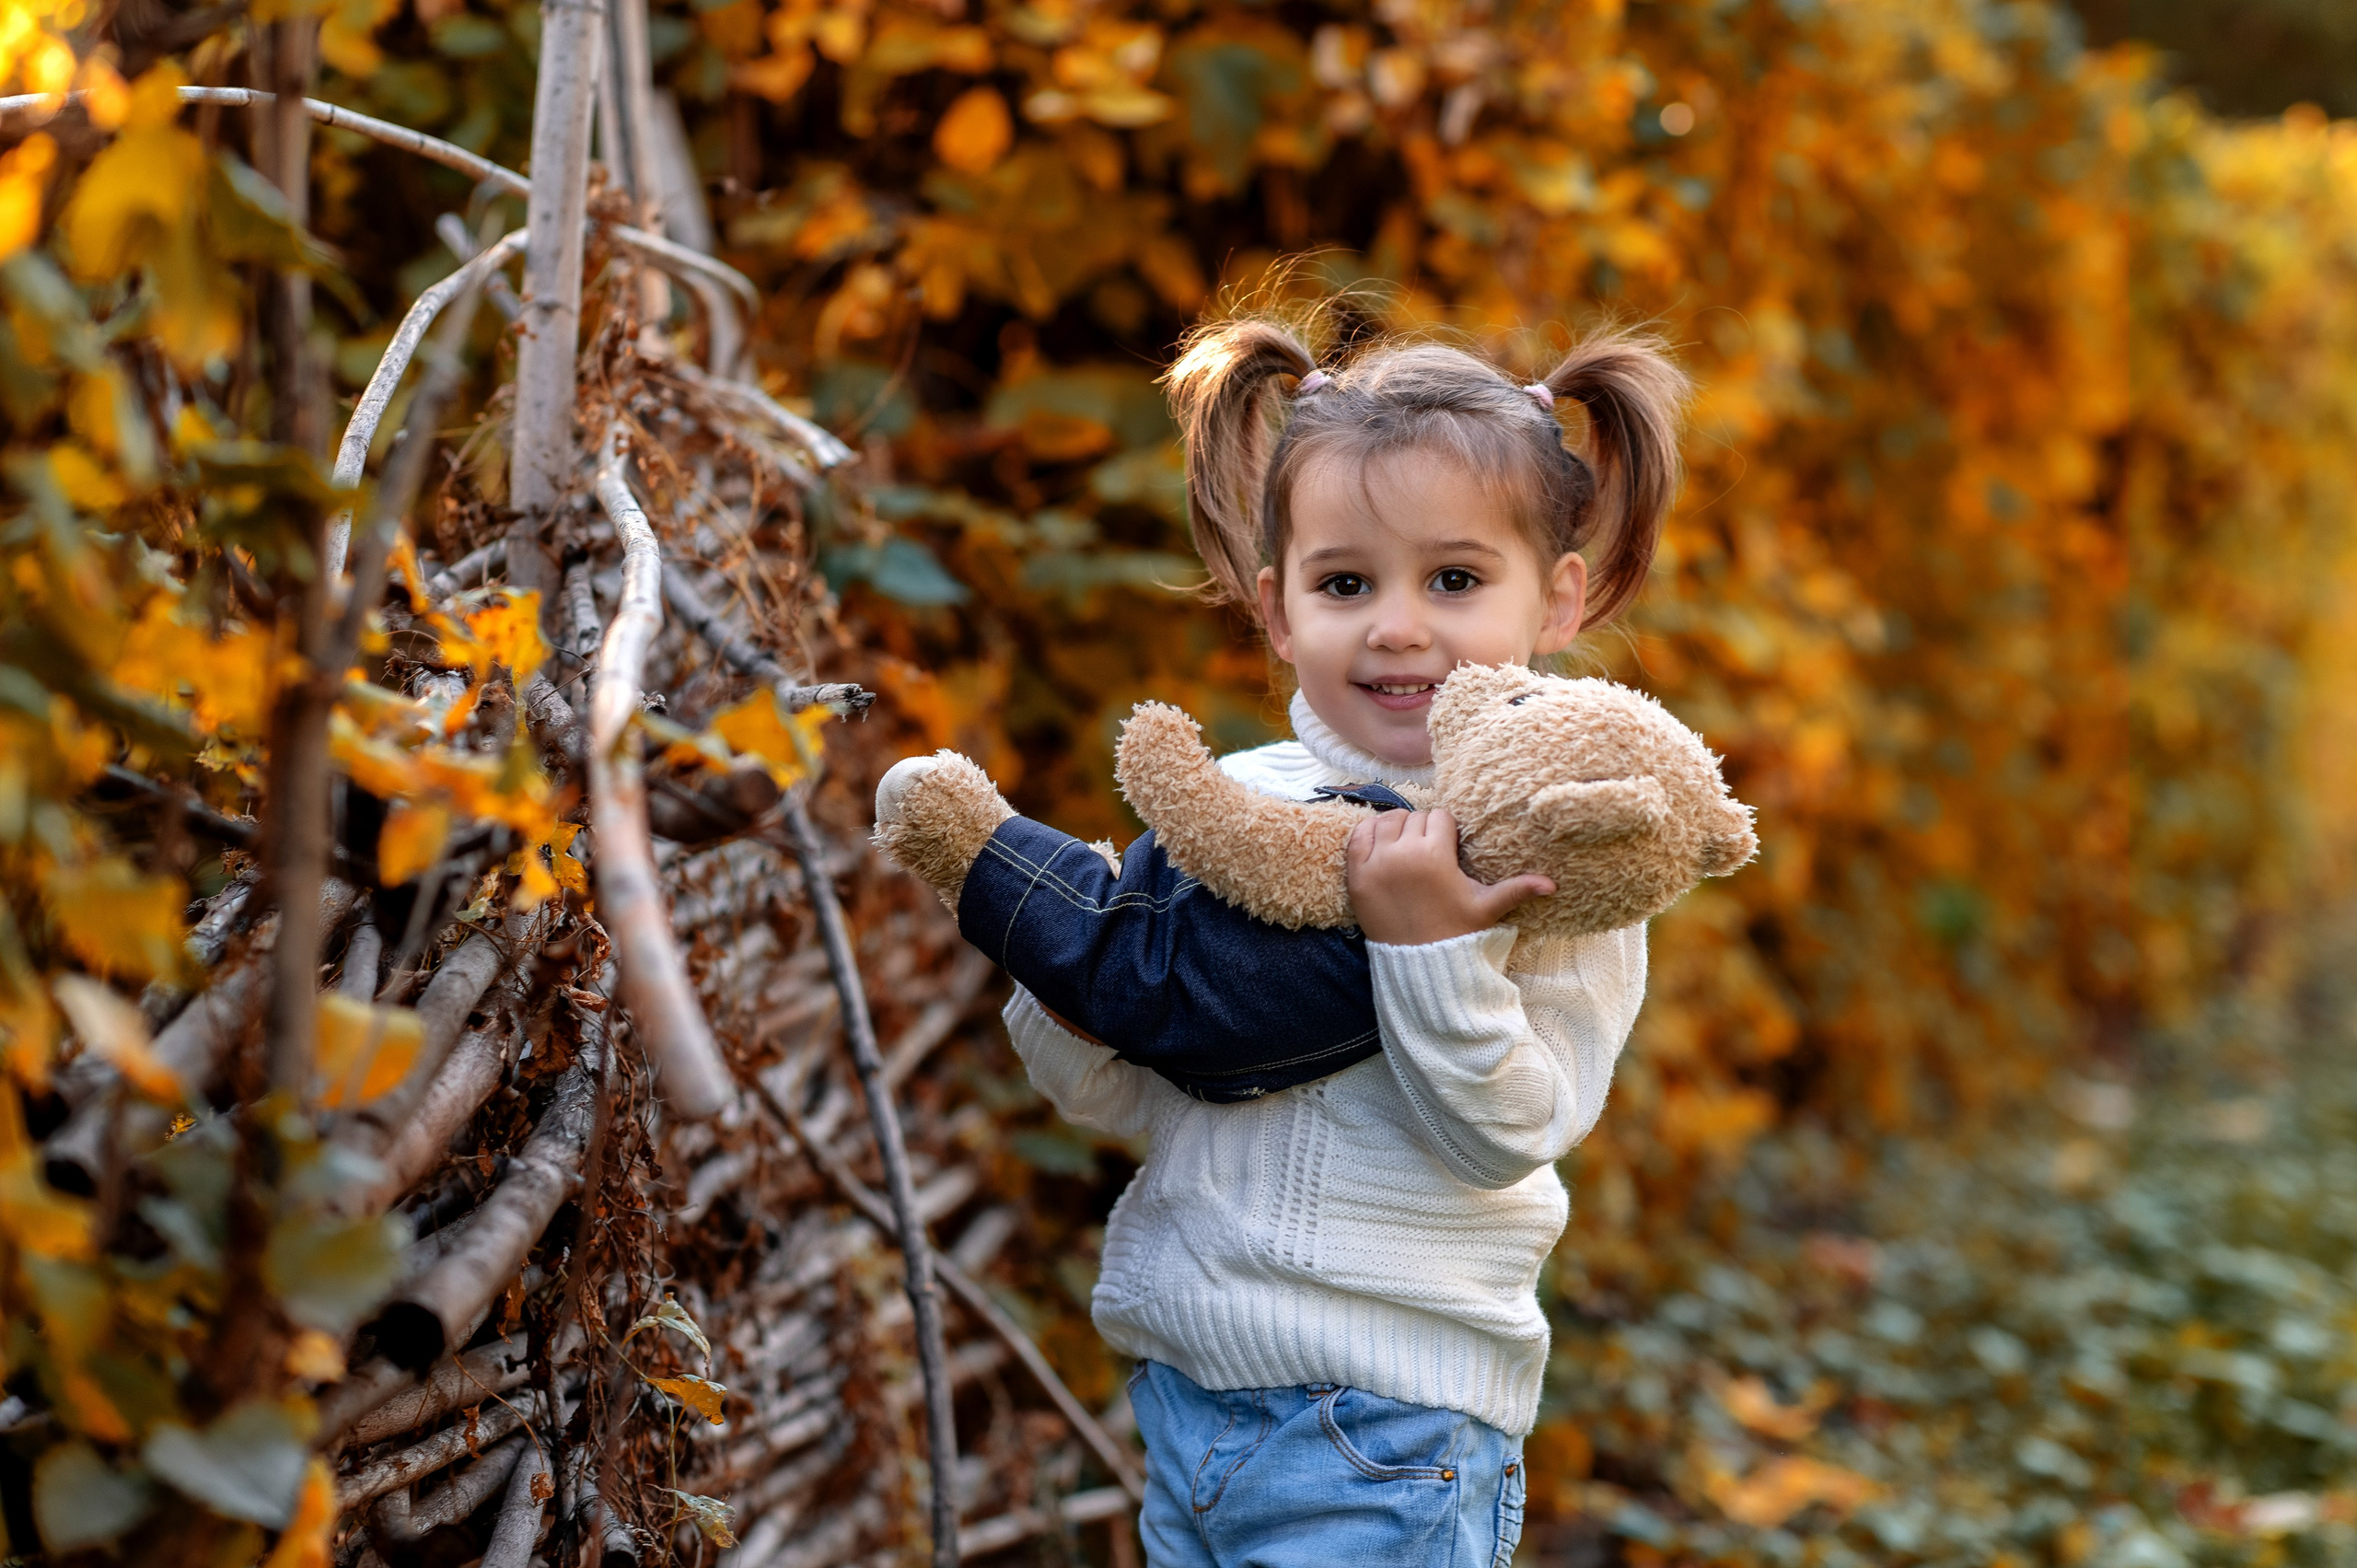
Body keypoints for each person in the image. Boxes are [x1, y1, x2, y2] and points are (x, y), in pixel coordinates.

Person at [1015, 314, 1687, 1566]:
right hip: (1190, 1406)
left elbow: (1506, 1135)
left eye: (1453, 580)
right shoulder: (1235, 801)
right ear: (1276, 611)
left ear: (1558, 599)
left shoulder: (1564, 852)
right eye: (1345, 583)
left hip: (1389, 1433)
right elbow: (1153, 1088)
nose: (1395, 626)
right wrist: (1067, 1018)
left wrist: (1430, 948)